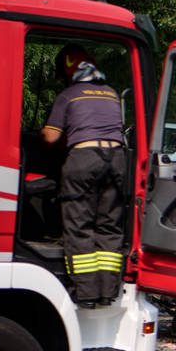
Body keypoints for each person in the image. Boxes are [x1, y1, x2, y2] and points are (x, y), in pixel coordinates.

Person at [41, 44, 126, 309]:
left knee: (80, 226)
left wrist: (71, 135)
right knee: (109, 227)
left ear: (68, 73)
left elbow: (51, 136)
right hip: (117, 159)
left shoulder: (69, 95)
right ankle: (108, 292)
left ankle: (87, 294)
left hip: (84, 160)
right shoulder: (112, 94)